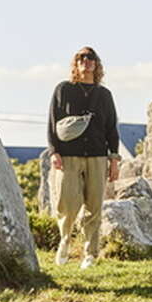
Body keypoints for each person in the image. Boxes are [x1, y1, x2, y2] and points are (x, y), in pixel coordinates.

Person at [47, 46, 120, 269]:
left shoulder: (104, 95)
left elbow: (111, 128)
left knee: (94, 206)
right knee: (67, 202)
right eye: (81, 58)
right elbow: (52, 122)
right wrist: (53, 151)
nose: (86, 62)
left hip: (97, 155)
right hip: (68, 155)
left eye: (90, 58)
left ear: (96, 65)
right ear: (76, 64)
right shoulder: (63, 90)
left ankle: (90, 253)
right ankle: (65, 240)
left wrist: (114, 159)